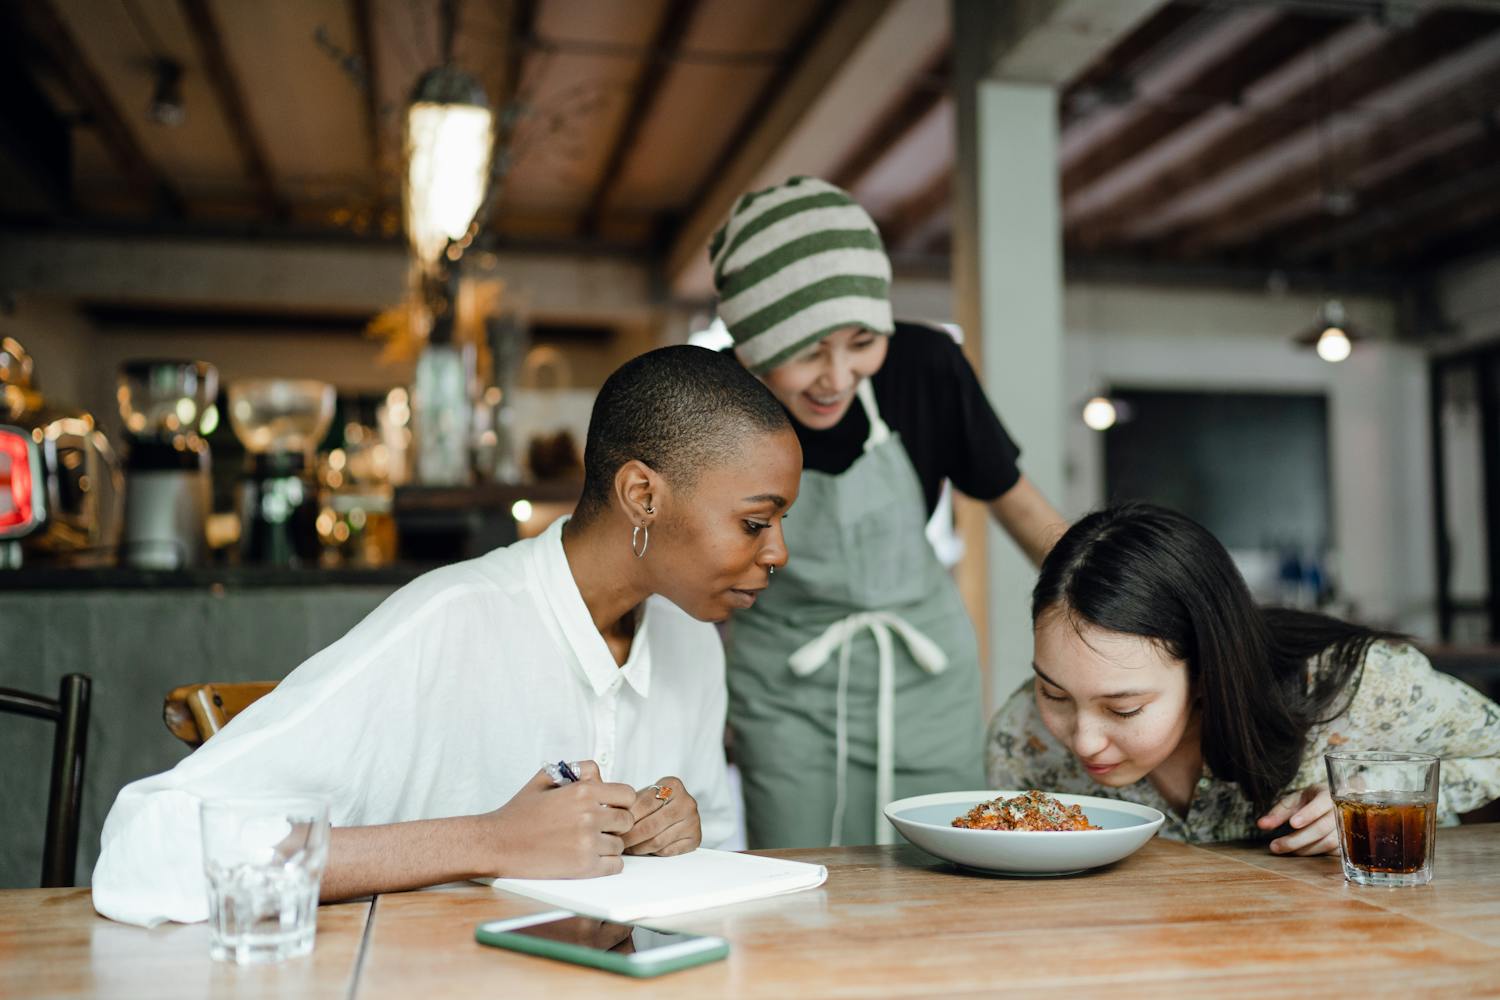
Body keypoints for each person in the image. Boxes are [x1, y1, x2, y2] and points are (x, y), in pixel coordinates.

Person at [92, 346, 802, 926]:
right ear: (642, 495)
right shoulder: (451, 623)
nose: (779, 554)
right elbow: (152, 846)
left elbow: (718, 864)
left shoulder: (693, 642)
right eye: (754, 522)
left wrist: (682, 834)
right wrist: (489, 841)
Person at [713, 176, 1067, 849]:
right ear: (750, 346)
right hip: (785, 687)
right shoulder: (715, 399)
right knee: (798, 880)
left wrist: (1127, 607)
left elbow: (1023, 510)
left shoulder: (925, 365)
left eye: (860, 341)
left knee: (942, 871)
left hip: (927, 680)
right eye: (807, 350)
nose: (839, 376)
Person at [987, 503, 1500, 852]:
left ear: (1208, 671)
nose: (1083, 739)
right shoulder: (1025, 736)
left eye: (1123, 708)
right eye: (1053, 692)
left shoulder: (1358, 685)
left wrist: (1382, 794)